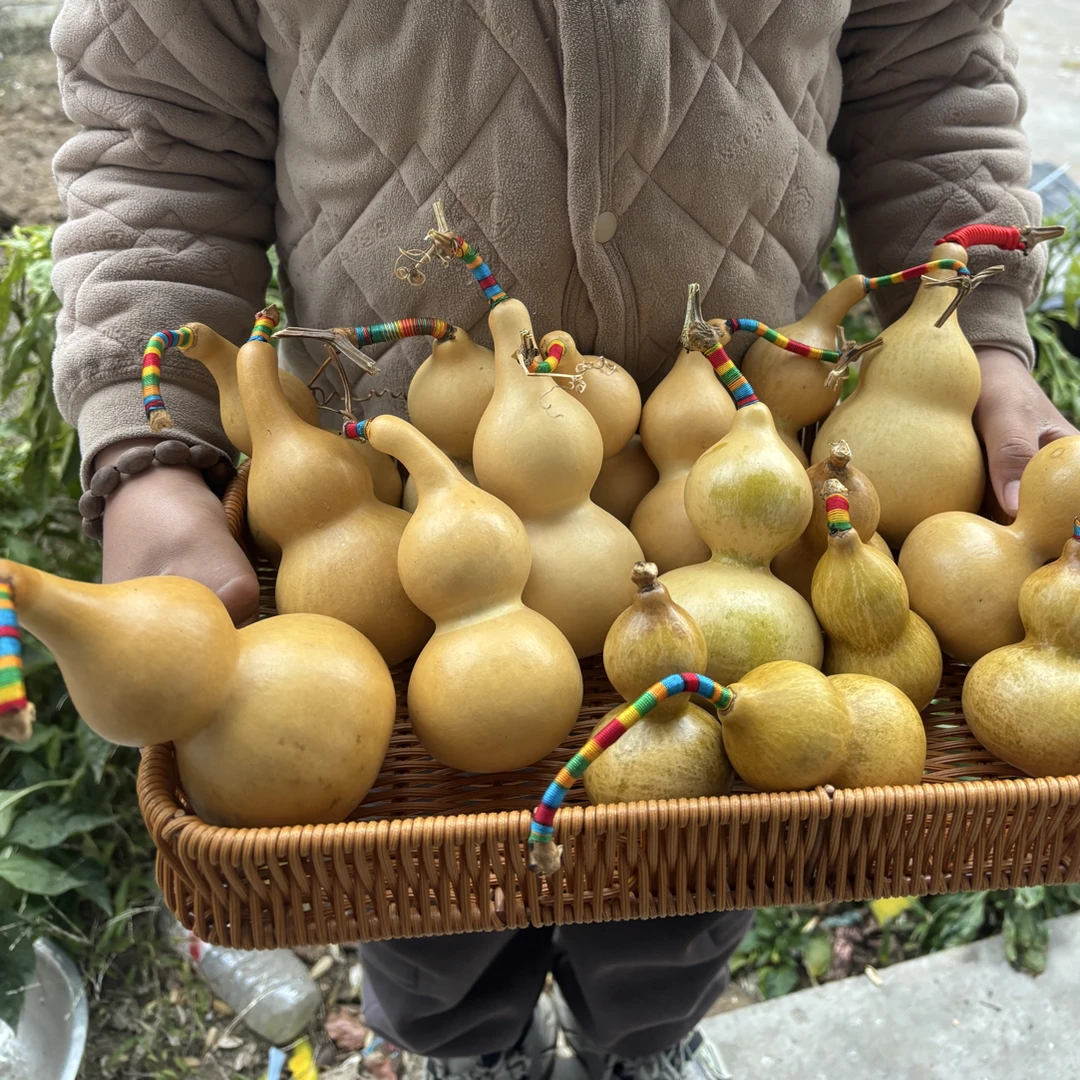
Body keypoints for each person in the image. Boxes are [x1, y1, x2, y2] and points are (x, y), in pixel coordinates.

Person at [47, 2, 1076, 1078]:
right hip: (403, 532)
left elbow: (930, 66)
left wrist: (979, 339)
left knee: (694, 860)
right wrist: (147, 444)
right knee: (420, 891)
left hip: (746, 491)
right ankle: (469, 1049)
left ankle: (642, 1041)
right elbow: (158, 126)